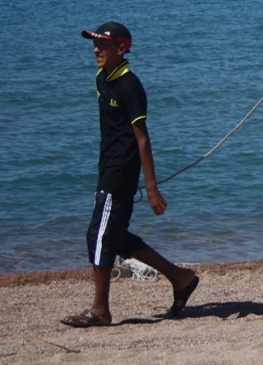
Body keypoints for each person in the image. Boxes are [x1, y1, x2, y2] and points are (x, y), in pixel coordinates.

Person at [61, 22, 198, 327]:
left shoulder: (129, 86)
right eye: (94, 44)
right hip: (107, 168)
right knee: (116, 237)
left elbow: (142, 138)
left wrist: (151, 187)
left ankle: (100, 311)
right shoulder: (103, 79)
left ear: (121, 49)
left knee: (98, 236)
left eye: (104, 45)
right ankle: (181, 277)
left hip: (120, 173)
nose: (96, 50)